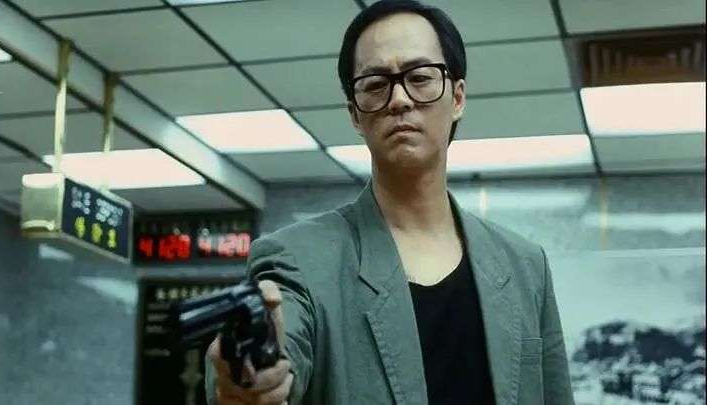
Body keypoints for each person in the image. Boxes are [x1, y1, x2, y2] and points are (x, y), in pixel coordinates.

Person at [205, 1, 574, 404]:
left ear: (457, 97)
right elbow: (277, 343)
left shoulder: (525, 266)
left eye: (420, 77)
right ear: (355, 115)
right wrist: (252, 372)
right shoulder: (297, 259)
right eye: (375, 84)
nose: (399, 99)